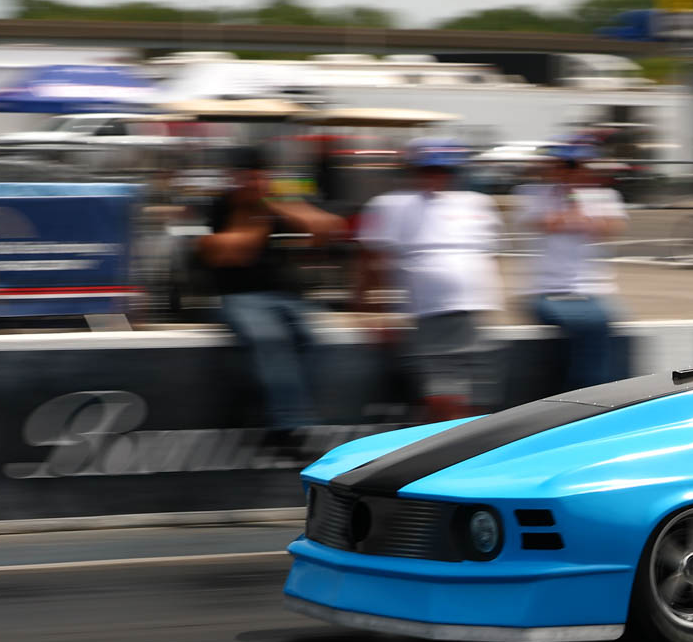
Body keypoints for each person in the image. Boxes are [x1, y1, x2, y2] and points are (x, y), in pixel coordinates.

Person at [198, 146, 341, 451]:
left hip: (284, 296)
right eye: (248, 177)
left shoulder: (275, 204)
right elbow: (231, 254)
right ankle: (288, 427)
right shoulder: (222, 206)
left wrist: (280, 206)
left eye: (260, 177)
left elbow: (325, 227)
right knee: (270, 339)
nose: (254, 183)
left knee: (311, 340)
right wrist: (254, 218)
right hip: (240, 296)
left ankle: (280, 414)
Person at [355, 140, 504, 422]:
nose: (436, 177)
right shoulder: (393, 205)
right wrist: (371, 311)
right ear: (414, 170)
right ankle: (453, 446)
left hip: (469, 311)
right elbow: (370, 260)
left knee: (464, 391)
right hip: (437, 310)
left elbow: (490, 255)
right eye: (429, 170)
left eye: (443, 170)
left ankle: (457, 448)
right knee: (448, 390)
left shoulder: (476, 202)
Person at [513, 142, 630, 390]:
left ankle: (592, 388)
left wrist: (575, 204)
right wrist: (575, 209)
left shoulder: (605, 196)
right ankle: (587, 389)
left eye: (573, 167)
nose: (567, 172)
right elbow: (548, 223)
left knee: (603, 326)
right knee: (589, 325)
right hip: (547, 289)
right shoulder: (534, 193)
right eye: (562, 167)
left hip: (591, 289)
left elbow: (611, 227)